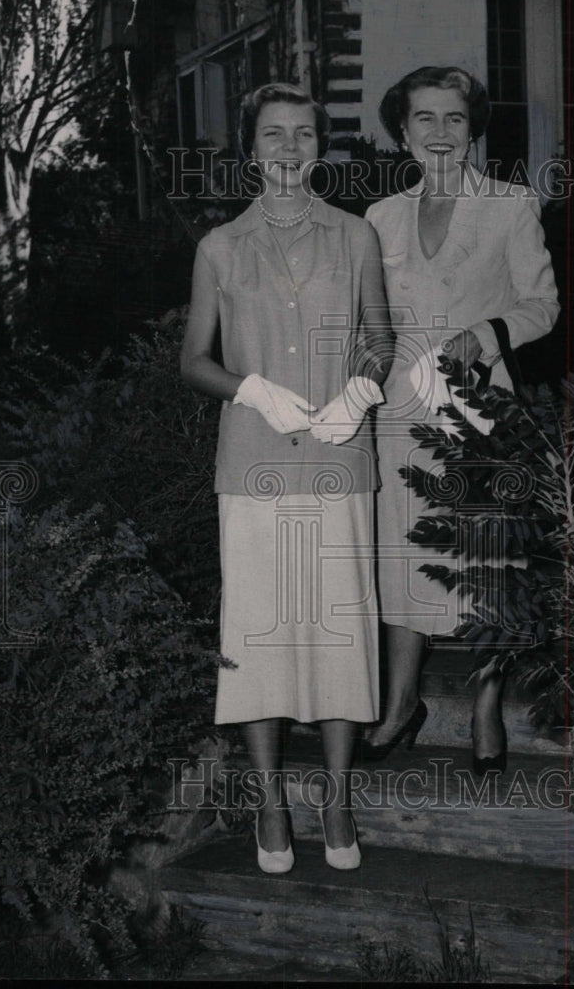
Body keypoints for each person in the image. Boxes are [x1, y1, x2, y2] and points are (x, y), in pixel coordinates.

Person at [180, 83, 392, 872]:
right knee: (258, 635)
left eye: (303, 134)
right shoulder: (220, 248)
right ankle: (269, 799)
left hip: (339, 460)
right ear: (250, 148)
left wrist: (359, 392)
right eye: (273, 134)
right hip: (253, 464)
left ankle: (335, 797)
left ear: (320, 145)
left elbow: (379, 337)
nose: (289, 149)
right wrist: (251, 388)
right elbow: (192, 359)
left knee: (337, 630)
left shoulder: (355, 236)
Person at [361, 66, 559, 774]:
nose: (439, 133)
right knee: (404, 554)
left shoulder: (510, 205)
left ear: (472, 129)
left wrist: (488, 331)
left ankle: (483, 705)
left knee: (485, 558)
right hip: (399, 410)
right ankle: (400, 704)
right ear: (402, 131)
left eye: (453, 118)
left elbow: (542, 305)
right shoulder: (380, 218)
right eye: (424, 118)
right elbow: (372, 320)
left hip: (478, 406)